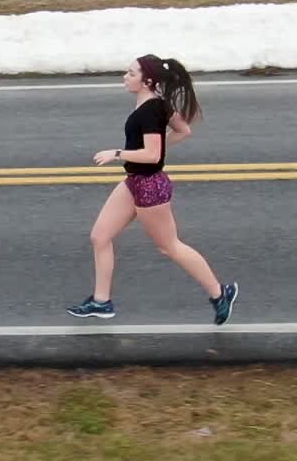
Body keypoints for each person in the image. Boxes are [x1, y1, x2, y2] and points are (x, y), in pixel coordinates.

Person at [67, 54, 238, 324]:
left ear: (146, 80)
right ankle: (101, 302)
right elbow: (183, 131)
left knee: (170, 247)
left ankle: (220, 294)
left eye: (131, 73)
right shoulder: (158, 103)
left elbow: (151, 155)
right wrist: (155, 149)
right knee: (100, 236)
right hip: (135, 182)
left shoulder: (149, 111)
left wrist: (118, 152)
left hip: (149, 188)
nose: (125, 77)